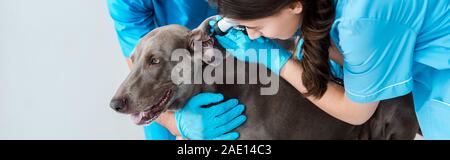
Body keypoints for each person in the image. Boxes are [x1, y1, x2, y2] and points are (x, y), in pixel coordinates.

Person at [208, 0, 450, 139]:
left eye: (257, 26)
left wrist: (276, 60)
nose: (251, 35)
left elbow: (357, 111)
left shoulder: (360, 20)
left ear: (293, 5)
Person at [107, 0, 247, 140]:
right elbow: (139, 62)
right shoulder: (124, 2)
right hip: (168, 105)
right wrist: (175, 124)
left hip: (238, 75)